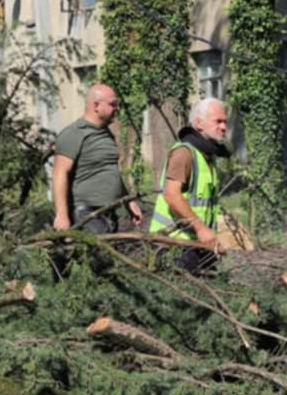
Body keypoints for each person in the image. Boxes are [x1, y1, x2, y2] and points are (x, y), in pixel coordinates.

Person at [149, 97, 232, 272]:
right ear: (199, 123)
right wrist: (201, 229)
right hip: (173, 245)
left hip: (197, 244)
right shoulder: (185, 153)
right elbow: (172, 195)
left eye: (225, 122)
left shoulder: (205, 155)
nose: (224, 127)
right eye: (218, 121)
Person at [51, 84, 143, 234]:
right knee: (96, 257)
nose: (117, 108)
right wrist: (61, 215)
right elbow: (59, 174)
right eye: (113, 104)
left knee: (108, 255)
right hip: (85, 214)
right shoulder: (74, 134)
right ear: (96, 105)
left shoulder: (106, 134)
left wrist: (128, 201)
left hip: (108, 212)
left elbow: (110, 171)